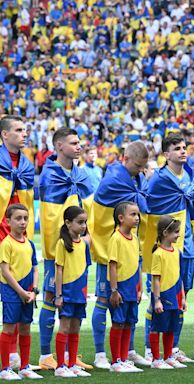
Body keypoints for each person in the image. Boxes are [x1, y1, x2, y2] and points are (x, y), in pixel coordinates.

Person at [38, 128, 94, 370]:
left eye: (79, 142)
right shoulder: (50, 174)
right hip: (59, 249)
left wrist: (88, 237)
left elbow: (87, 208)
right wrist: (60, 244)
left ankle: (71, 356)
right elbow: (50, 215)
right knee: (51, 298)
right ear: (59, 146)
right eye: (73, 143)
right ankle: (44, 355)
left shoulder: (81, 174)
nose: (78, 146)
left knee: (74, 301)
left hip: (79, 249)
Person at [91, 141, 149, 369]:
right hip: (110, 248)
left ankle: (129, 351)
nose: (141, 170)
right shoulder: (114, 178)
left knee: (131, 301)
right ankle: (99, 354)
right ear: (126, 159)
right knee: (104, 300)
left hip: (131, 248)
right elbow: (103, 210)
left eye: (144, 166)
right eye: (137, 165)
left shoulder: (136, 179)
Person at [143, 134, 194, 364]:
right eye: (177, 148)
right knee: (158, 299)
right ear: (166, 154)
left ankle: (172, 348)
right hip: (164, 250)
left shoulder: (191, 175)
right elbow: (147, 207)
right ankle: (150, 347)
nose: (183, 151)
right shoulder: (159, 179)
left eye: (184, 147)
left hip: (186, 247)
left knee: (180, 298)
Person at [0, 116, 35, 370]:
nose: (24, 134)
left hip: (17, 238)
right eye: (19, 130)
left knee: (16, 300)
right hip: (2, 235)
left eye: (26, 130)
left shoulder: (26, 165)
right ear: (4, 135)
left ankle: (14, 357)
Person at [0, 204, 41, 380]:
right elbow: (5, 271)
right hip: (12, 291)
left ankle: (24, 366)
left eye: (25, 218)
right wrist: (21, 292)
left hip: (27, 293)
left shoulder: (30, 243)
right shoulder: (6, 243)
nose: (23, 222)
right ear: (8, 221)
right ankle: (5, 368)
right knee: (9, 328)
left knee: (25, 328)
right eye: (18, 218)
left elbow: (35, 269)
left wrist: (33, 291)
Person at [54, 206, 91, 378]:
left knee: (75, 328)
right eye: (80, 222)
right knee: (65, 327)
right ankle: (60, 365)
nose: (83, 226)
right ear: (68, 223)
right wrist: (59, 295)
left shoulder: (84, 244)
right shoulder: (62, 243)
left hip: (80, 293)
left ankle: (72, 363)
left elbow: (85, 269)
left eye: (85, 222)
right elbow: (59, 270)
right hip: (67, 293)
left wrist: (86, 292)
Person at [107, 202, 144, 373]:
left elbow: (138, 264)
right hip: (120, 287)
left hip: (132, 287)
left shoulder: (135, 238)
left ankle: (124, 358)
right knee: (118, 323)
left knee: (129, 322)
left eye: (138, 214)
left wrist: (140, 287)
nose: (137, 218)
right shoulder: (116, 238)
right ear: (121, 218)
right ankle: (116, 361)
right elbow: (112, 265)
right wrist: (114, 290)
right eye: (133, 214)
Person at [148, 216, 187, 370]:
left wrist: (182, 297)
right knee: (157, 326)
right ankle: (156, 359)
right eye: (176, 232)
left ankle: (168, 356)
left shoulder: (178, 253)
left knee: (171, 327)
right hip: (163, 295)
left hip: (176, 295)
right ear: (165, 233)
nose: (178, 235)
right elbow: (156, 279)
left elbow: (179, 276)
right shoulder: (158, 254)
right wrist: (157, 300)